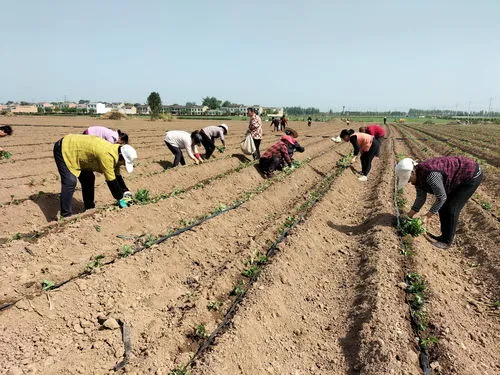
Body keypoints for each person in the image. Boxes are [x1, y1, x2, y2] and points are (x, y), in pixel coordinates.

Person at [396, 156, 483, 249]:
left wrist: (427, 216)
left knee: (452, 208)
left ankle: (447, 242)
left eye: (408, 179)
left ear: (412, 173)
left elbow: (441, 197)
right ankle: (443, 237)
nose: (409, 182)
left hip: (471, 175)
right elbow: (421, 197)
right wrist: (409, 215)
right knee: (442, 207)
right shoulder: (418, 177)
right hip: (456, 176)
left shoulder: (431, 175)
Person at [53, 134, 137, 218]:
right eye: (124, 163)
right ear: (121, 157)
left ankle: (89, 208)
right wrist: (120, 198)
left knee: (88, 178)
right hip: (65, 149)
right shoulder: (107, 156)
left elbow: (117, 176)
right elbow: (111, 181)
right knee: (70, 181)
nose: (123, 165)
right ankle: (66, 215)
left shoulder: (116, 152)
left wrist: (126, 191)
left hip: (79, 154)